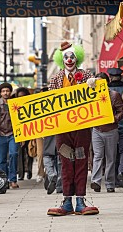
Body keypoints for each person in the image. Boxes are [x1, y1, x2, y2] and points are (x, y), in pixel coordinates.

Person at [47, 41, 99, 216]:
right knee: (66, 162)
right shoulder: (55, 79)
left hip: (82, 127)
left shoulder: (86, 75)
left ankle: (80, 200)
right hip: (63, 128)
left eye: (72, 56)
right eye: (66, 57)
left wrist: (94, 84)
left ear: (77, 58)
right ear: (62, 59)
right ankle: (67, 200)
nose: (69, 59)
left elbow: (97, 95)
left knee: (82, 160)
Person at [90, 73, 123, 193]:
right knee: (98, 156)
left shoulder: (114, 95)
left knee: (110, 157)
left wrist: (114, 119)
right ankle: (96, 181)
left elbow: (122, 111)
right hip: (97, 130)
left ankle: (110, 183)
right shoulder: (92, 95)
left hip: (111, 130)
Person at [107, 67, 123, 188]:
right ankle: (122, 172)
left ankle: (114, 176)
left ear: (110, 77)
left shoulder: (106, 91)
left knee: (112, 152)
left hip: (110, 126)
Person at [0, 82, 19, 189]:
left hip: (12, 133)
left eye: (7, 91)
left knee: (14, 154)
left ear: (10, 92)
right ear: (0, 93)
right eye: (3, 91)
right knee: (2, 159)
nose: (5, 93)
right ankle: (3, 181)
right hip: (0, 134)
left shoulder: (15, 103)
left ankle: (13, 179)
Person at [15, 87, 34, 181]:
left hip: (29, 132)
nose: (21, 98)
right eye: (19, 96)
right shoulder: (14, 106)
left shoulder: (30, 105)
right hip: (19, 132)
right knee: (20, 153)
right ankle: (21, 173)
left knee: (30, 151)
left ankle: (29, 170)